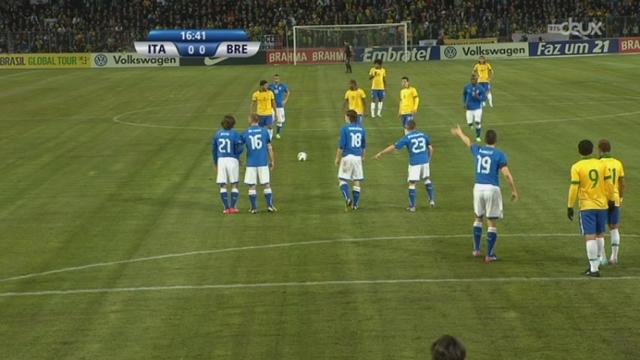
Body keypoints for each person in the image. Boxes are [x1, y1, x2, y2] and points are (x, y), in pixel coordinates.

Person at [450, 125, 518, 263]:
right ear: (496, 140)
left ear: (485, 139)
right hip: (492, 189)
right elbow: (507, 175)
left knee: (478, 218)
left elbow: (468, 142)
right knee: (492, 222)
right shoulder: (499, 154)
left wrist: (460, 133)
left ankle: (476, 249)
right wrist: (514, 190)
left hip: (478, 187)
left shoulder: (479, 150)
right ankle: (490, 254)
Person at [567, 139, 615, 276]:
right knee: (600, 234)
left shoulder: (576, 167)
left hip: (587, 206)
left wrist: (570, 206)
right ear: (593, 150)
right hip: (602, 205)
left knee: (590, 236)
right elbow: (609, 184)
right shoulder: (601, 164)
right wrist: (611, 199)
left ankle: (594, 268)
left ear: (578, 151)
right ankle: (598, 261)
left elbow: (574, 187)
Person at [374, 120, 434, 211]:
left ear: (407, 128)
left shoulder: (407, 137)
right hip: (425, 162)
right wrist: (428, 159)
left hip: (415, 163)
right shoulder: (423, 135)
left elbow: (394, 147)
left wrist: (381, 153)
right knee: (427, 179)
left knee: (412, 183)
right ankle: (431, 200)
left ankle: (412, 206)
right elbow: (431, 148)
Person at [241, 114, 276, 214]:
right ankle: (269, 206)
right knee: (266, 184)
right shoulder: (264, 131)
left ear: (251, 120)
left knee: (252, 185)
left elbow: (239, 146)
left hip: (251, 163)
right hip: (263, 162)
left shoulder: (246, 132)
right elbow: (269, 147)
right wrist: (272, 160)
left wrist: (239, 158)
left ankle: (253, 208)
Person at [597, 139, 625, 265]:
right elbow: (622, 183)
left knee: (600, 230)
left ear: (600, 149)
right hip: (615, 198)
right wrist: (621, 197)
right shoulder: (618, 163)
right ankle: (614, 257)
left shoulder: (598, 163)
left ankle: (602, 257)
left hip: (602, 200)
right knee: (614, 228)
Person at [212, 115, 243, 214]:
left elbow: (214, 150)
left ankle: (226, 208)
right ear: (233, 124)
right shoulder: (235, 134)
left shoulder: (217, 134)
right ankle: (233, 207)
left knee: (223, 185)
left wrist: (215, 162)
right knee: (234, 184)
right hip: (232, 160)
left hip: (221, 160)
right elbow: (240, 148)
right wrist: (238, 157)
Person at [336, 110, 366, 210]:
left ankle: (348, 198)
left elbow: (341, 146)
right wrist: (363, 156)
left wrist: (337, 158)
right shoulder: (361, 129)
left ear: (349, 117)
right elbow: (363, 146)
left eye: (345, 116)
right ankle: (355, 205)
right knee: (356, 180)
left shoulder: (344, 128)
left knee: (341, 179)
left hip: (347, 157)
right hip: (357, 157)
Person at [463, 74, 486, 143]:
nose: (473, 81)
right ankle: (470, 125)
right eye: (472, 80)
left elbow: (484, 98)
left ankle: (478, 136)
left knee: (477, 122)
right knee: (470, 124)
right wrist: (464, 103)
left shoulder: (480, 88)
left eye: (474, 80)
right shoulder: (467, 87)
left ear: (477, 80)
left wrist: (478, 97)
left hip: (477, 108)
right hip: (469, 108)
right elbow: (464, 94)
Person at [268, 74, 289, 139]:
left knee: (279, 121)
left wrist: (285, 100)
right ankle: (270, 134)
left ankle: (277, 133)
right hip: (271, 106)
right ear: (273, 79)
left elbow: (288, 92)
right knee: (270, 121)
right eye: (275, 78)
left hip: (280, 106)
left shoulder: (283, 86)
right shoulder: (270, 86)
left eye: (277, 78)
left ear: (279, 79)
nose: (276, 80)